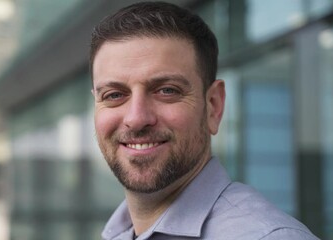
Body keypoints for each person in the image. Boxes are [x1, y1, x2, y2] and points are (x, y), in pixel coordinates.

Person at [89, 2, 319, 240]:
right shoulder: (118, 233)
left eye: (167, 90)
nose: (136, 118)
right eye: (114, 95)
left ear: (213, 106)